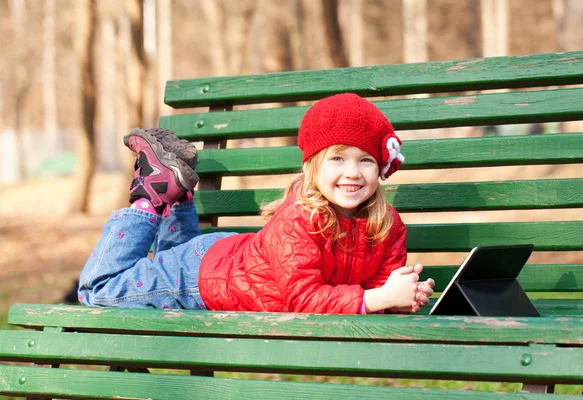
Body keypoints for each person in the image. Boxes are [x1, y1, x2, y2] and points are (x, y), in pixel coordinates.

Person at [78, 93, 435, 314]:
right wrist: (380, 299)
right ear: (312, 166)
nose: (353, 173)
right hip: (200, 278)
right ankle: (151, 197)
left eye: (366, 161)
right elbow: (303, 299)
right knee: (98, 291)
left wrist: (402, 297)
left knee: (173, 258)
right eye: (337, 159)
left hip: (231, 260)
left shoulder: (387, 225)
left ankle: (177, 193)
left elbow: (374, 295)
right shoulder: (299, 218)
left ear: (380, 168)